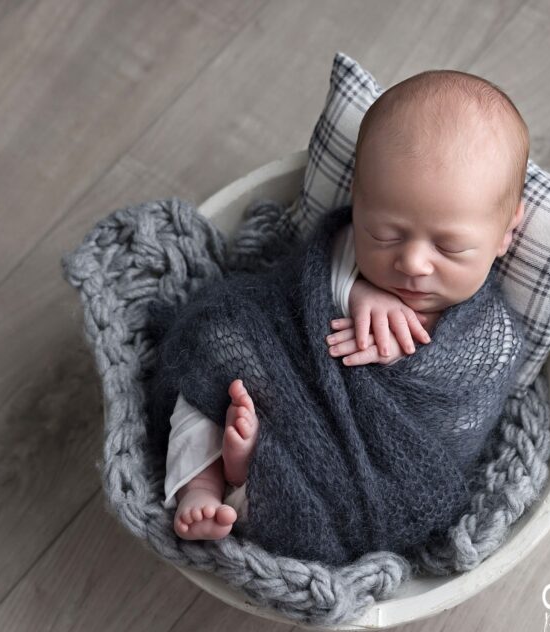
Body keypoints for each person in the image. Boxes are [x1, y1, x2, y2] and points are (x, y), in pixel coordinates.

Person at [165, 68, 529, 541]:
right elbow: (303, 279)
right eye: (386, 234)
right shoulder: (348, 250)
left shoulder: (490, 338)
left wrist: (404, 365)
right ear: (357, 200)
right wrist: (355, 291)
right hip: (278, 378)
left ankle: (253, 474)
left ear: (506, 232)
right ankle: (201, 485)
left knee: (365, 507)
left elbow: (457, 430)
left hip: (360, 470)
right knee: (212, 341)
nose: (413, 262)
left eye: (450, 248)